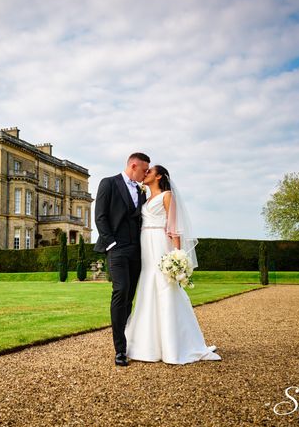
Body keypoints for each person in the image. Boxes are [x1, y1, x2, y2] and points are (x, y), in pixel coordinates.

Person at [124, 165, 221, 364]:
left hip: (160, 241)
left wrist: (177, 255)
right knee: (147, 284)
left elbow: (174, 226)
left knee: (165, 285)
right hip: (145, 242)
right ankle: (147, 345)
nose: (146, 173)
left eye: (149, 171)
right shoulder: (145, 197)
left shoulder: (167, 195)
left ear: (159, 176)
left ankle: (176, 344)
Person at [94, 152, 150, 367]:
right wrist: (111, 244)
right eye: (144, 170)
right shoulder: (109, 183)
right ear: (133, 165)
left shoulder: (141, 189)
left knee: (130, 297)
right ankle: (120, 350)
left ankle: (127, 340)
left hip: (137, 250)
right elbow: (100, 215)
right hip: (117, 249)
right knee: (120, 291)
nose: (145, 175)